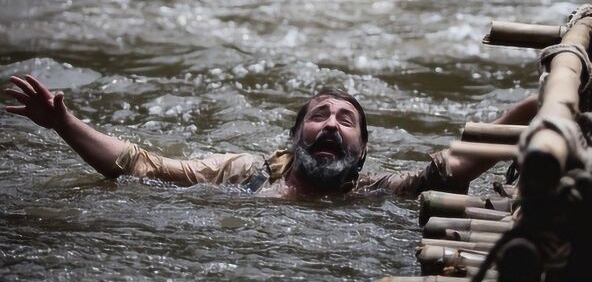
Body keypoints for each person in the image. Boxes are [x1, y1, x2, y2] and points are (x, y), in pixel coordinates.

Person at [5, 74, 538, 197]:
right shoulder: (246, 173)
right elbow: (144, 164)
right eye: (320, 116)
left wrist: (536, 104)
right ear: (294, 136)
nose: (331, 123)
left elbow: (448, 169)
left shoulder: (374, 192)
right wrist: (64, 124)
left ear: (363, 151)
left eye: (346, 121)